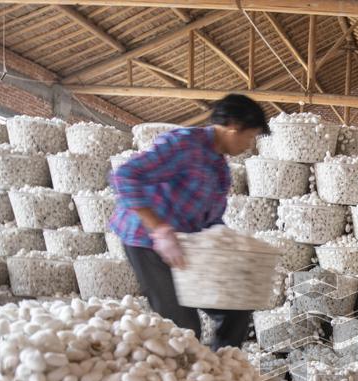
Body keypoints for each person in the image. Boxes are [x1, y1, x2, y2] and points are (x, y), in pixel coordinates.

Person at [109, 94, 267, 351]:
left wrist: (230, 244)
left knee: (236, 305)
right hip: (147, 241)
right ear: (233, 127)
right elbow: (126, 175)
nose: (249, 145)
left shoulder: (220, 168)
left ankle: (219, 368)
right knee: (182, 326)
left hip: (187, 245)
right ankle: (185, 379)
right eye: (249, 137)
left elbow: (211, 217)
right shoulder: (184, 144)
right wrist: (159, 229)